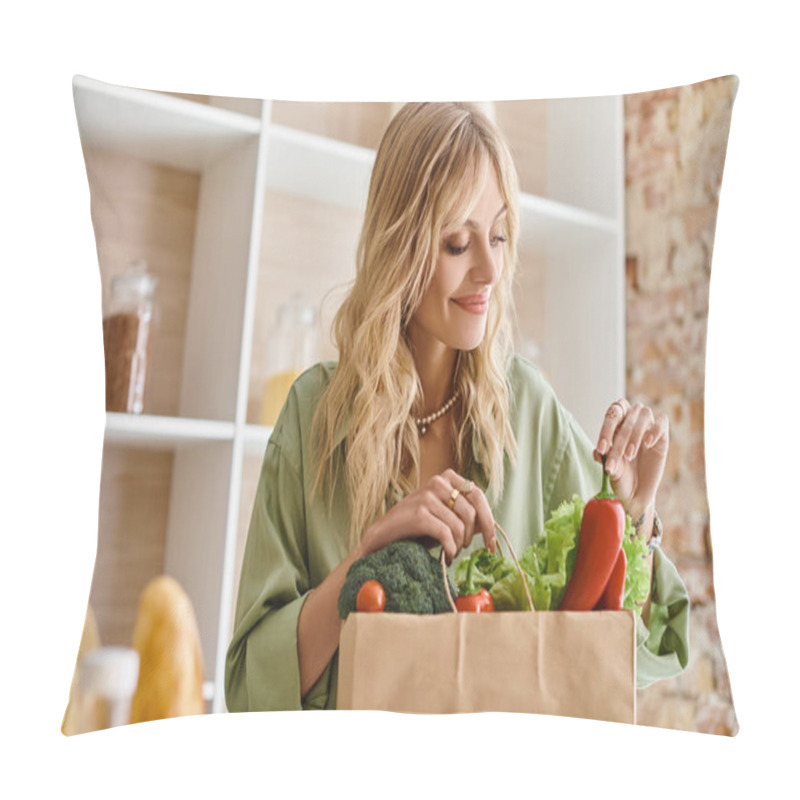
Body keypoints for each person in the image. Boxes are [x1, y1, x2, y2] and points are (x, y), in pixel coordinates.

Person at [225, 102, 689, 712]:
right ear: (400, 246)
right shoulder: (314, 415)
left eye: (498, 236)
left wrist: (636, 514)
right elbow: (252, 688)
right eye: (456, 243)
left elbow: (642, 649)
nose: (491, 268)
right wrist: (363, 568)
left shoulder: (530, 409)